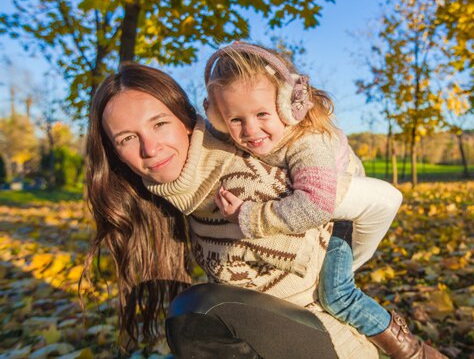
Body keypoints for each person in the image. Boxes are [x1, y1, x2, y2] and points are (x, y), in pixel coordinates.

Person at [80, 62, 378, 359]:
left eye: (159, 124)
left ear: (185, 120)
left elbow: (380, 202)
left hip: (332, 344)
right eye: (127, 138)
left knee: (197, 310)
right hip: (270, 335)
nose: (150, 148)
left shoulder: (245, 183)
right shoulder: (187, 194)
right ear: (114, 153)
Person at [203, 41, 448, 359]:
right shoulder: (245, 128)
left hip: (338, 215)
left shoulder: (308, 144)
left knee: (336, 294)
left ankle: (416, 353)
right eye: (234, 120)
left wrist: (250, 216)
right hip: (307, 210)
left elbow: (315, 205)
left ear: (288, 103)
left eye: (262, 113)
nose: (250, 130)